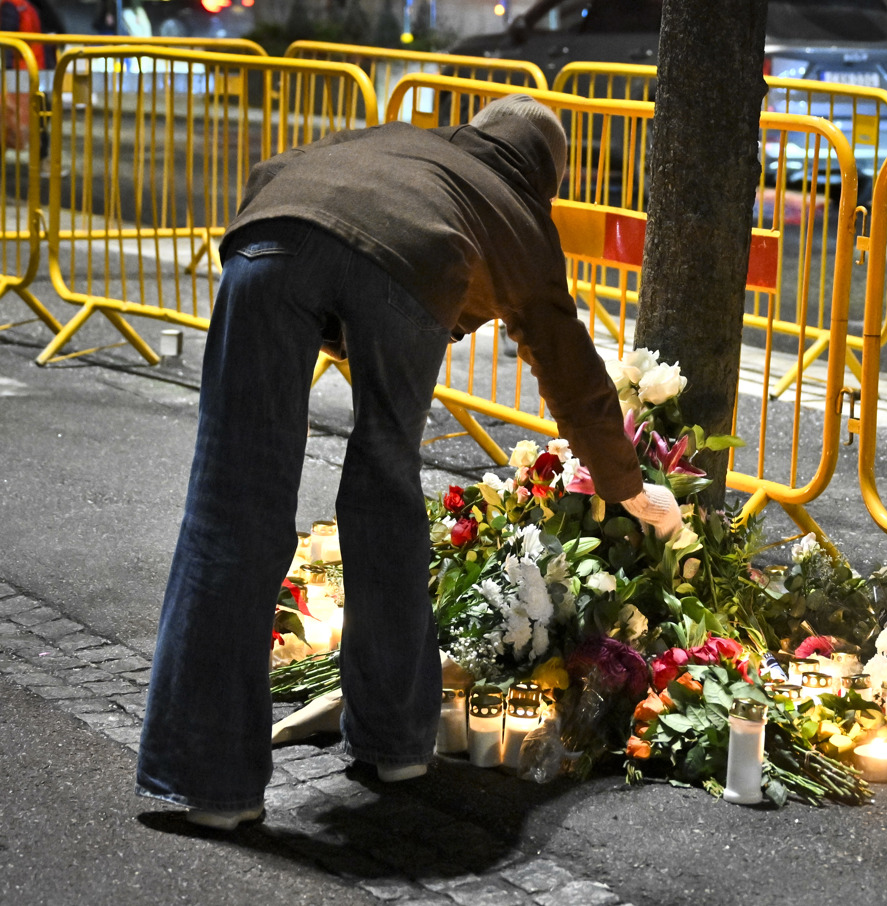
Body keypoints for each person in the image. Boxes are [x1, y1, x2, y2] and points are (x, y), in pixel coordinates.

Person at [135, 95, 682, 831]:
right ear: (544, 177)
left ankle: (211, 784)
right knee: (383, 487)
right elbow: (571, 370)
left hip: (264, 236)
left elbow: (300, 200)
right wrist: (627, 485)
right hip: (412, 264)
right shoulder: (515, 211)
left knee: (230, 500)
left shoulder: (403, 142)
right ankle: (395, 743)